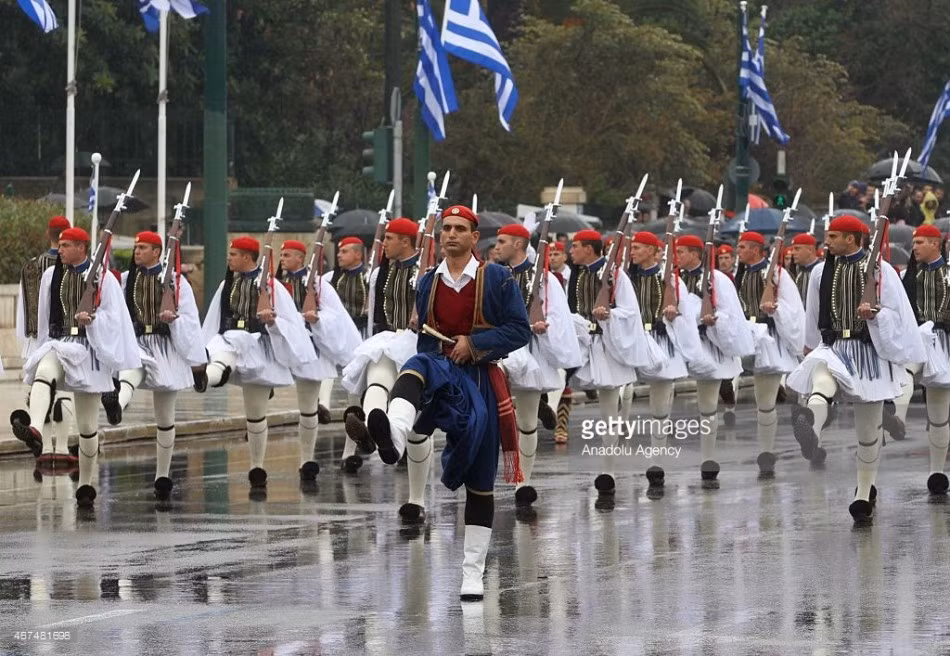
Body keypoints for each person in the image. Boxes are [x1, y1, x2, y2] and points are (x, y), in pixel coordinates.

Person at [363, 205, 531, 601]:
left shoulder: (498, 278)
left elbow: (519, 330)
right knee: (416, 364)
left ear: (475, 237)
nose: (450, 234)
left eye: (460, 229)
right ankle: (394, 435)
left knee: (479, 480)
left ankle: (472, 573)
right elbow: (425, 340)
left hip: (480, 379)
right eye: (446, 229)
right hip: (441, 369)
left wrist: (475, 344)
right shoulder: (427, 282)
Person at [787, 215, 924, 522]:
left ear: (851, 238)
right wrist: (809, 346)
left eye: (834, 236)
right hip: (834, 346)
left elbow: (897, 314)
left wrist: (874, 313)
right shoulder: (821, 272)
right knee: (821, 379)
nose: (827, 241)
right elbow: (814, 311)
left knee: (868, 429)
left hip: (869, 351)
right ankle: (812, 426)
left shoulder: (880, 270)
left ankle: (863, 493)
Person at [12, 227, 140, 508]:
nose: (60, 249)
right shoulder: (50, 276)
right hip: (60, 343)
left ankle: (86, 483)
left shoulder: (104, 279)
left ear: (82, 248)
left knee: (87, 426)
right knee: (44, 372)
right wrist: (39, 346)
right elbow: (45, 317)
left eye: (66, 245)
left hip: (89, 350)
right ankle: (34, 427)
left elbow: (115, 319)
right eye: (60, 244)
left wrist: (93, 320)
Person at [199, 236, 316, 492]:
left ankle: (256, 467)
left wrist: (272, 322)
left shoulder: (272, 287)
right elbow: (214, 319)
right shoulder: (226, 284)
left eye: (234, 254)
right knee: (221, 354)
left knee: (255, 413)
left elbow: (290, 322)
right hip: (229, 339)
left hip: (258, 349)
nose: (229, 259)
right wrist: (201, 349)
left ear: (247, 257)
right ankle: (207, 377)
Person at [110, 231, 206, 500]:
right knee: (132, 368)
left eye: (142, 247)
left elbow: (190, 319)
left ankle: (162, 475)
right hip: (138, 342)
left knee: (165, 417)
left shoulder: (176, 282)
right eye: (136, 247)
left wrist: (173, 320)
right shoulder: (128, 280)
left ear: (157, 252)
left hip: (165, 347)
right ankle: (117, 404)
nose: (136, 251)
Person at [493, 223, 581, 507]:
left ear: (519, 244)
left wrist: (545, 326)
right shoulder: (494, 274)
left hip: (530, 351)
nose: (497, 246)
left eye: (502, 241)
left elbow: (558, 315)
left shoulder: (544, 278)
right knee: (494, 391)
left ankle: (523, 482)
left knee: (528, 424)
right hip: (502, 349)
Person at [567, 230, 659, 495]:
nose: (571, 251)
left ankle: (607, 470)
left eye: (576, 246)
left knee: (608, 411)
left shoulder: (616, 275)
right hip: (587, 344)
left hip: (608, 344)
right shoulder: (580, 274)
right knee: (602, 407)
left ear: (589, 249)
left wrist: (609, 315)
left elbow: (631, 311)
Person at [625, 231, 714, 487]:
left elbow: (687, 316)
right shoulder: (625, 277)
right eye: (633, 248)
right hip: (632, 341)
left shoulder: (672, 281)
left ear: (654, 251)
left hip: (661, 340)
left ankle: (657, 461)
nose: (634, 252)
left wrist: (675, 314)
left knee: (659, 407)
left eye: (639, 248)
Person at [276, 239, 362, 485]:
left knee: (338, 400)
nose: (283, 259)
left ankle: (327, 456)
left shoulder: (318, 284)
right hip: (284, 344)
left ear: (301, 258)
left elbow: (334, 315)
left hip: (326, 342)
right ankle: (305, 459)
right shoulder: (277, 284)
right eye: (281, 255)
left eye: (288, 254)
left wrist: (318, 320)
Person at [340, 219, 421, 473]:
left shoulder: (426, 270)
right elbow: (376, 313)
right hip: (388, 339)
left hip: (417, 344)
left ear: (406, 241)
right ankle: (371, 431)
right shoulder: (380, 273)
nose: (382, 243)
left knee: (408, 404)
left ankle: (392, 436)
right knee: (376, 382)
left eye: (389, 238)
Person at [677, 235, 755, 482]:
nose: (677, 257)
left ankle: (708, 458)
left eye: (682, 252)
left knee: (707, 405)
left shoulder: (716, 279)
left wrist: (713, 319)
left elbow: (730, 311)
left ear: (695, 254)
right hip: (684, 344)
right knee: (701, 403)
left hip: (710, 343)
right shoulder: (675, 279)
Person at [734, 231, 805, 477]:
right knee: (757, 397)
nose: (738, 251)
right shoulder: (740, 273)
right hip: (746, 333)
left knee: (764, 402)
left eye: (743, 247)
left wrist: (776, 310)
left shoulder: (776, 274)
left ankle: (766, 452)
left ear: (756, 249)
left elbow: (793, 308)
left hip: (767, 338)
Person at [892, 225, 950, 494]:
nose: (914, 247)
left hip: (944, 342)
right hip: (917, 338)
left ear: (935, 244)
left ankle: (937, 473)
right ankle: (897, 417)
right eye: (913, 242)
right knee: (906, 369)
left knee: (939, 414)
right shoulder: (907, 275)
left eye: (920, 242)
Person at [14, 216, 74, 466]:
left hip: (35, 339)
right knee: (64, 394)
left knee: (41, 392)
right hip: (64, 338)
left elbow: (22, 307)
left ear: (48, 233)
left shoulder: (30, 266)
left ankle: (42, 441)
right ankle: (60, 447)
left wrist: (26, 340)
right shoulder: (73, 266)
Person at [317, 236, 369, 429]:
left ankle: (355, 411)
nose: (339, 255)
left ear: (357, 253)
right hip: (337, 331)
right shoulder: (329, 279)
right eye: (339, 251)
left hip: (361, 332)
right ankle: (323, 405)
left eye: (344, 251)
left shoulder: (369, 276)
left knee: (356, 372)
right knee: (326, 361)